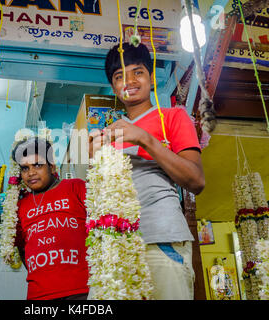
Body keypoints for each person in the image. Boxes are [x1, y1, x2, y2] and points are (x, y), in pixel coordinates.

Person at [89, 43, 205, 300]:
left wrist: (146, 139)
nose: (129, 81)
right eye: (119, 76)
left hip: (161, 241)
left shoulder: (173, 117)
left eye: (137, 72)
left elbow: (196, 181)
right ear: (113, 88)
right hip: (114, 248)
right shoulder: (110, 133)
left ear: (151, 78)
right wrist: (91, 158)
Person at [12, 137, 89, 300]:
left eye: (38, 165)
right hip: (38, 294)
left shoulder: (75, 187)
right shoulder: (19, 205)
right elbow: (22, 248)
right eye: (25, 168)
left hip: (80, 290)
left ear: (52, 165)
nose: (31, 173)